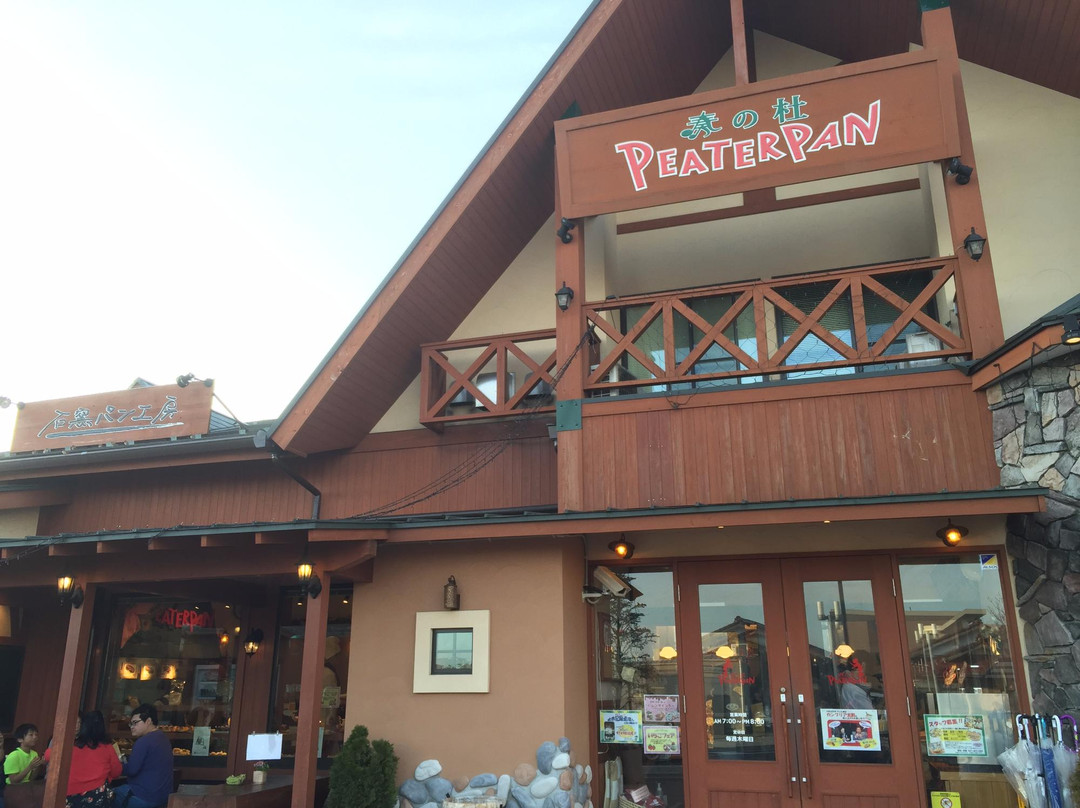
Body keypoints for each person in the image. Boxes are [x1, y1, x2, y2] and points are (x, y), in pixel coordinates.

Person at [43, 711, 122, 808]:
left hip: (69, 794)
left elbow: (47, 755)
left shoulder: (71, 745)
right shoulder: (107, 747)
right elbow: (116, 772)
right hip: (96, 795)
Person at [113, 705, 173, 808]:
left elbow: (132, 770)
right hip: (163, 797)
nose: (131, 726)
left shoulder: (143, 741)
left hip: (144, 796)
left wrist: (115, 765)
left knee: (107, 795)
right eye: (130, 723)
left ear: (148, 721)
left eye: (135, 722)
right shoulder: (163, 738)